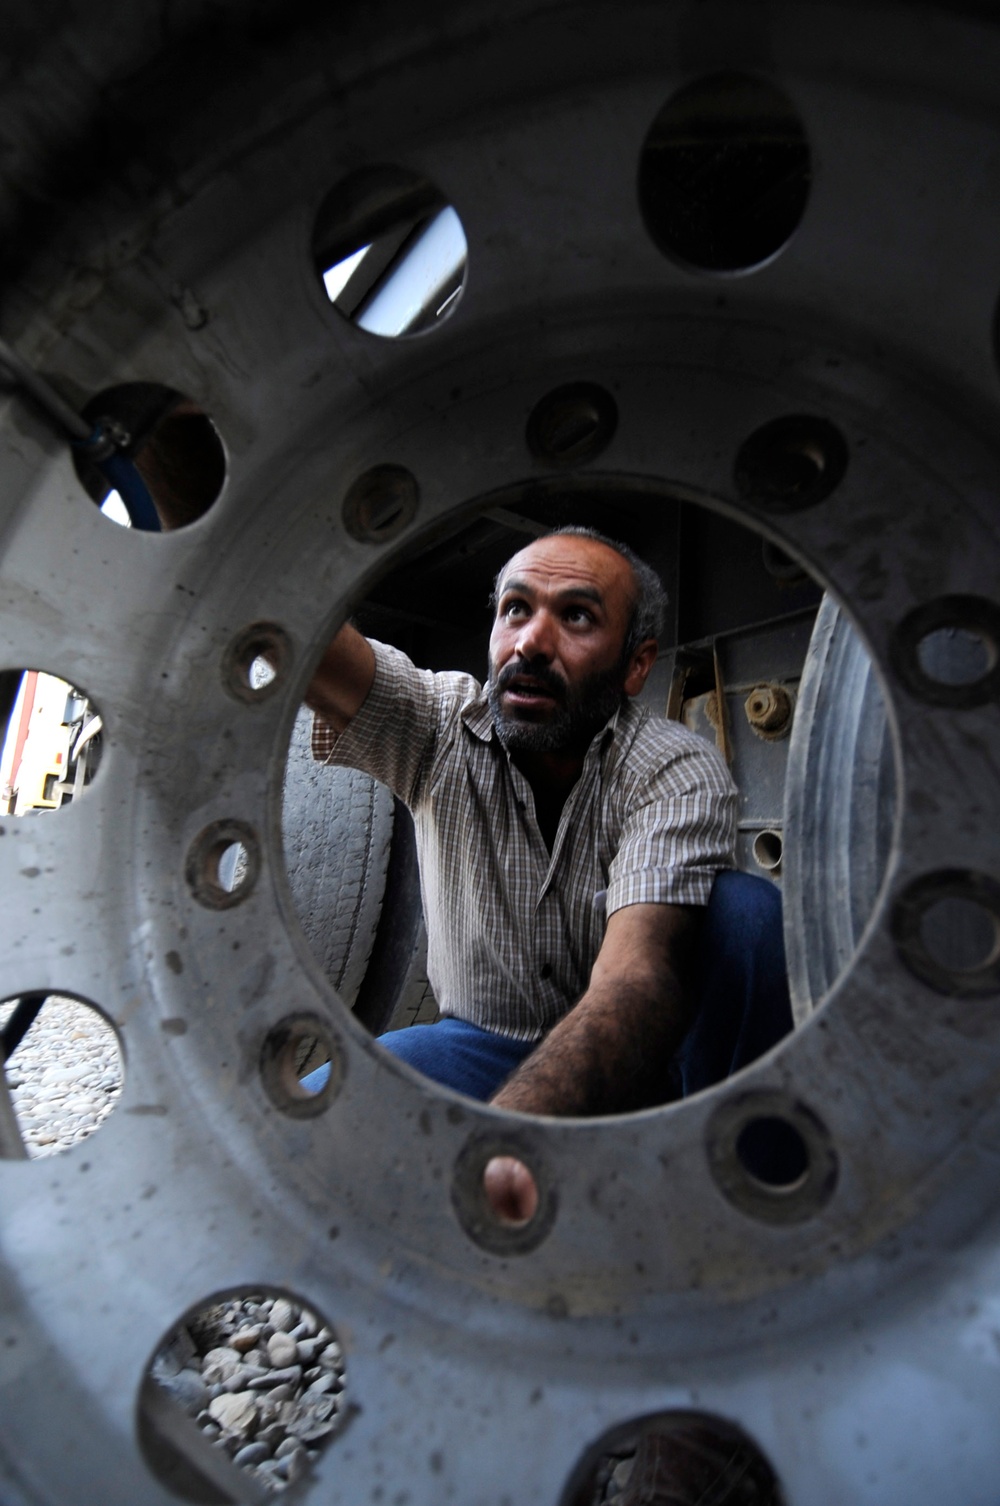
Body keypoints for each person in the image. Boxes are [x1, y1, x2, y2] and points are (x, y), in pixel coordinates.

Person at [305, 525, 739, 1131]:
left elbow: (636, 978)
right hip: (479, 1045)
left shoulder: (671, 767)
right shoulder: (438, 727)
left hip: (641, 1050)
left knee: (751, 917)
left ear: (636, 665)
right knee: (303, 1123)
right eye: (515, 609)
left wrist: (502, 1148)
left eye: (578, 617)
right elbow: (296, 634)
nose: (530, 643)